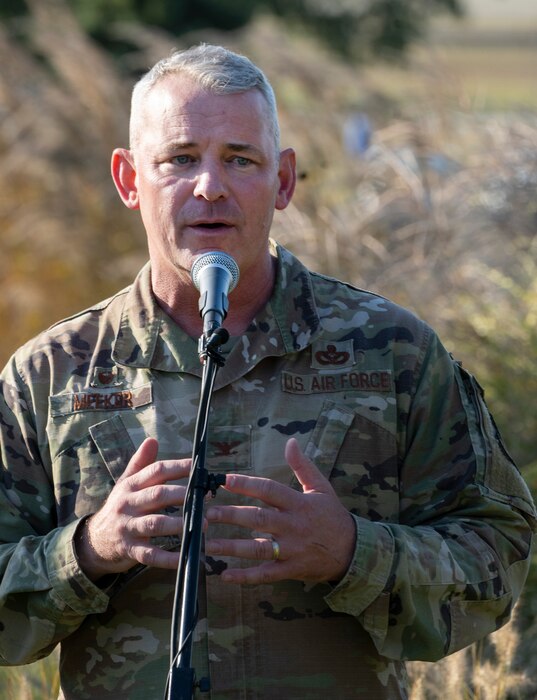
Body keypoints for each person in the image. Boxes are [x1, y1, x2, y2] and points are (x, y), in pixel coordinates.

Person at [0, 44, 534, 700]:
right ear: (129, 179)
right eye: (179, 159)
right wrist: (86, 551)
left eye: (239, 159)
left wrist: (351, 553)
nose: (209, 186)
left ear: (282, 181)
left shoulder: (390, 353)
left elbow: (496, 559)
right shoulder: (51, 374)